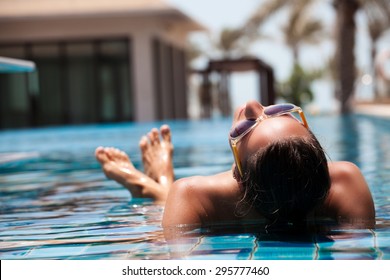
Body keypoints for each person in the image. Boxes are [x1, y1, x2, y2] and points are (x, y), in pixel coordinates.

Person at [95, 100, 375, 232]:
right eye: (279, 111)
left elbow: (169, 258)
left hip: (190, 196)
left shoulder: (192, 194)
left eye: (247, 128)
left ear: (238, 176)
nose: (254, 105)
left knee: (155, 226)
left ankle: (151, 186)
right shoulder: (345, 180)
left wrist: (169, 193)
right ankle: (159, 183)